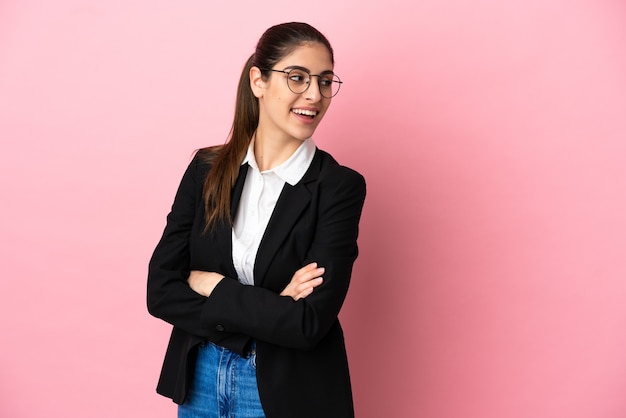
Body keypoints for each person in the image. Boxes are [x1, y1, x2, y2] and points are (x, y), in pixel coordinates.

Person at [147, 22, 366, 418]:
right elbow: (161, 291)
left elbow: (307, 323)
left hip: (287, 392)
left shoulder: (338, 187)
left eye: (325, 81)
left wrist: (214, 286)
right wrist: (272, 305)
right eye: (297, 78)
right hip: (200, 382)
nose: (314, 95)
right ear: (258, 81)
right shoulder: (206, 170)